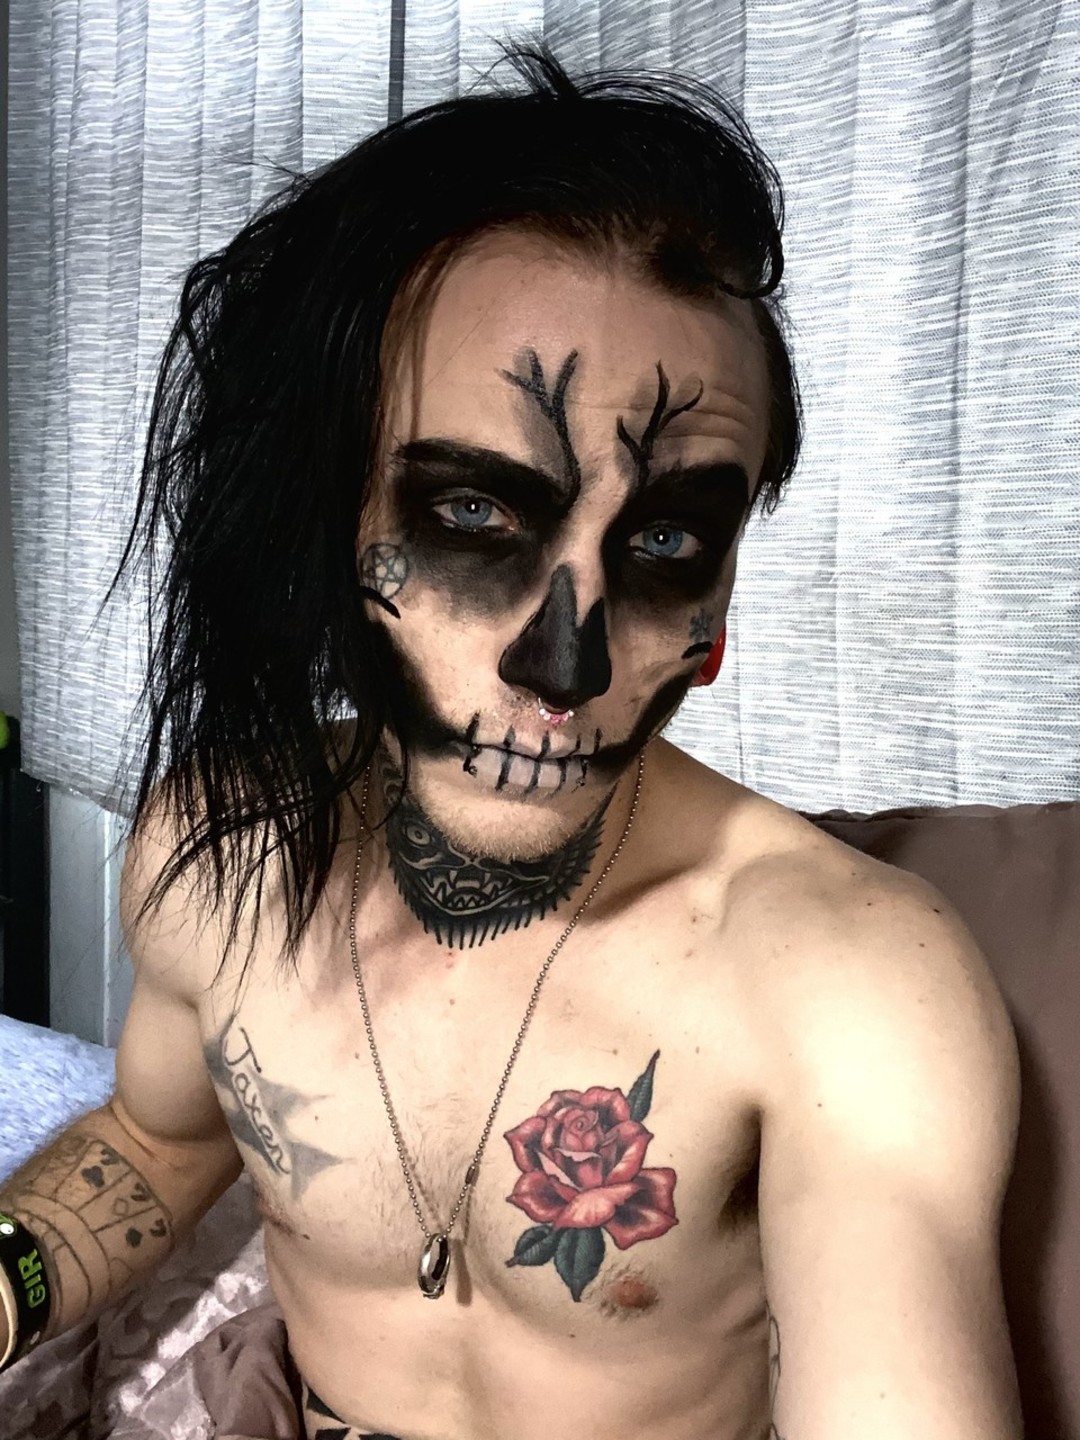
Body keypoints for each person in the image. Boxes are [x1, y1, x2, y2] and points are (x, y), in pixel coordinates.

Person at [0, 46, 1023, 1440]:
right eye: (476, 514)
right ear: (331, 516)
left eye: (665, 543)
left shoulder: (847, 978)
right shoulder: (216, 852)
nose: (565, 665)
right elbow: (155, 1140)